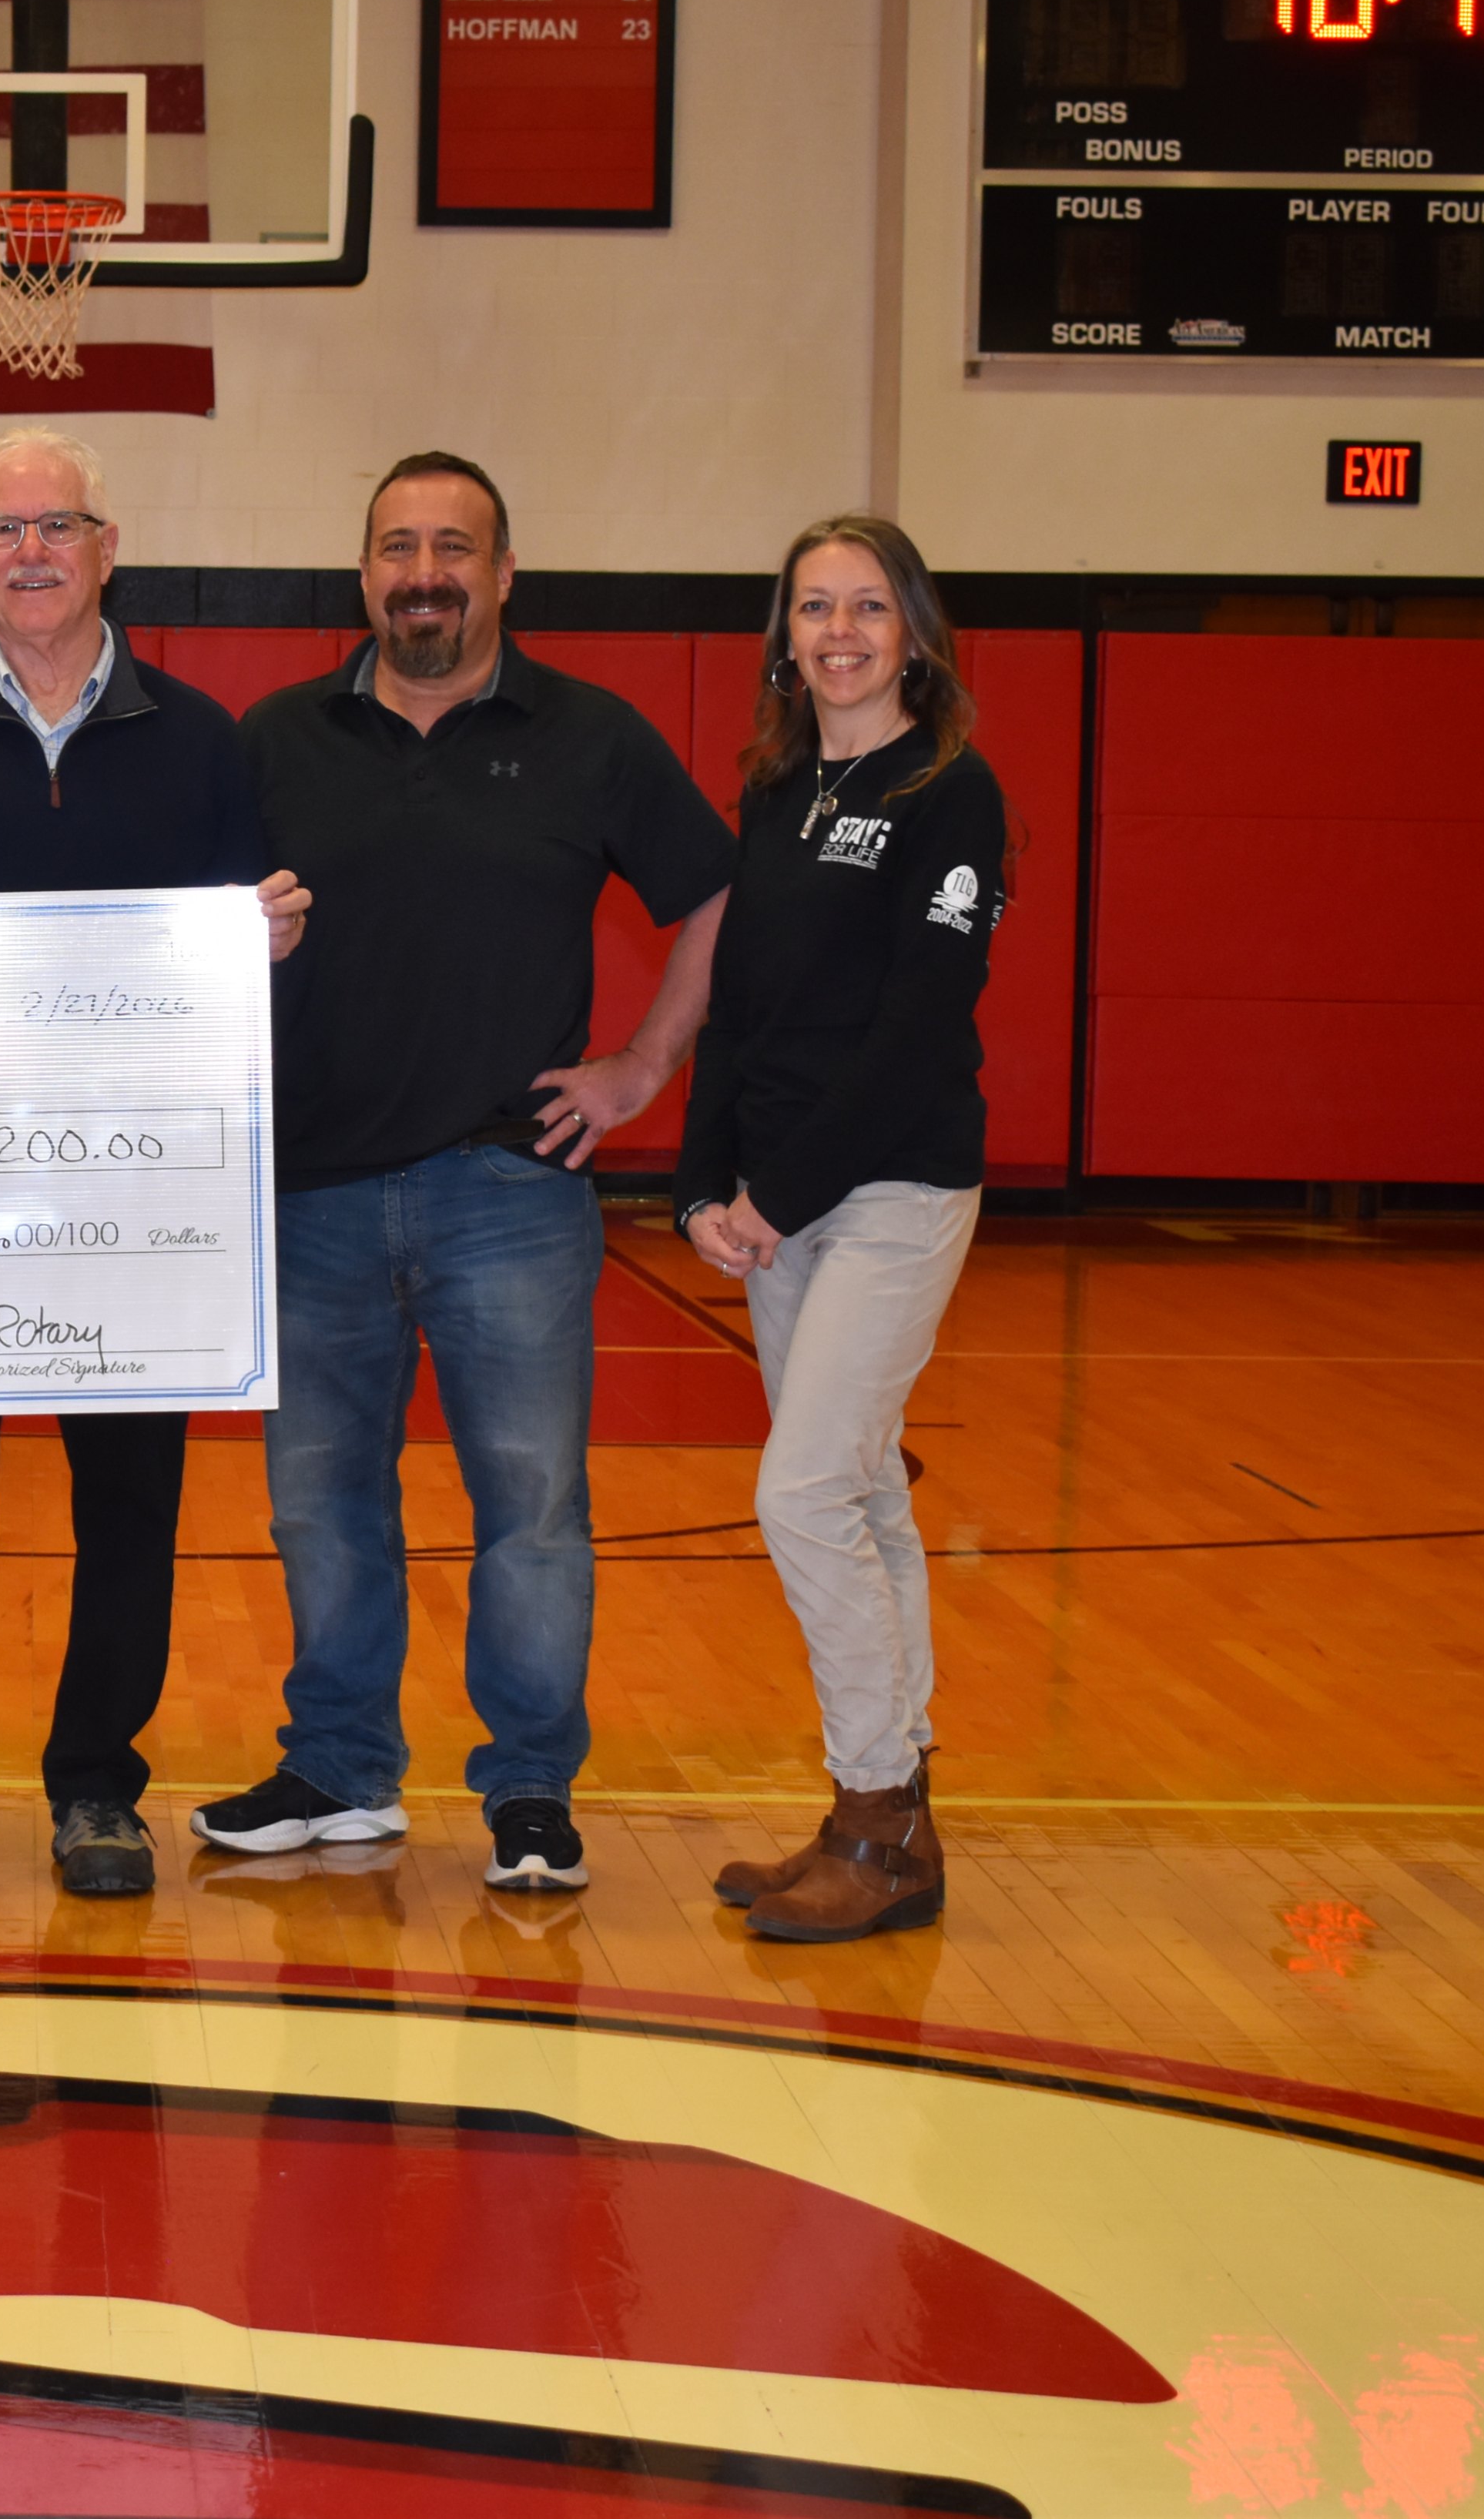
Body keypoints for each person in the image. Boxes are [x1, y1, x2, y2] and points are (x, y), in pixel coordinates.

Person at [197, 452, 735, 1892]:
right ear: (363, 571)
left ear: (504, 575)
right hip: (309, 1192)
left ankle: (530, 1791)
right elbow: (183, 925)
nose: (422, 570)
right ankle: (341, 1768)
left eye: (454, 546)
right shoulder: (273, 740)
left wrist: (638, 1071)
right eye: (396, 545)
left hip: (510, 1194)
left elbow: (715, 894)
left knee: (534, 1509)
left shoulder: (593, 737)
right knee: (321, 1503)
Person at [0, 427, 311, 1902]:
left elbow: (245, 986)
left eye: (59, 525)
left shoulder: (206, 742)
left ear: (107, 548)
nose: (30, 551)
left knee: (130, 1499)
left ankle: (98, 1782)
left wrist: (264, 938)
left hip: (129, 1205)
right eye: (2, 529)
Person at [678, 515, 1007, 1944]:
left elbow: (918, 1023)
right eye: (815, 608)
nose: (840, 632)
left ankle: (872, 1814)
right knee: (863, 1490)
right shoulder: (779, 788)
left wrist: (779, 1193)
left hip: (890, 1187)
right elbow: (737, 1007)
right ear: (785, 638)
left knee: (802, 1491)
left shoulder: (953, 792)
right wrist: (698, 1184)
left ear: (915, 632)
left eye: (869, 606)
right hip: (777, 1201)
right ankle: (898, 1823)